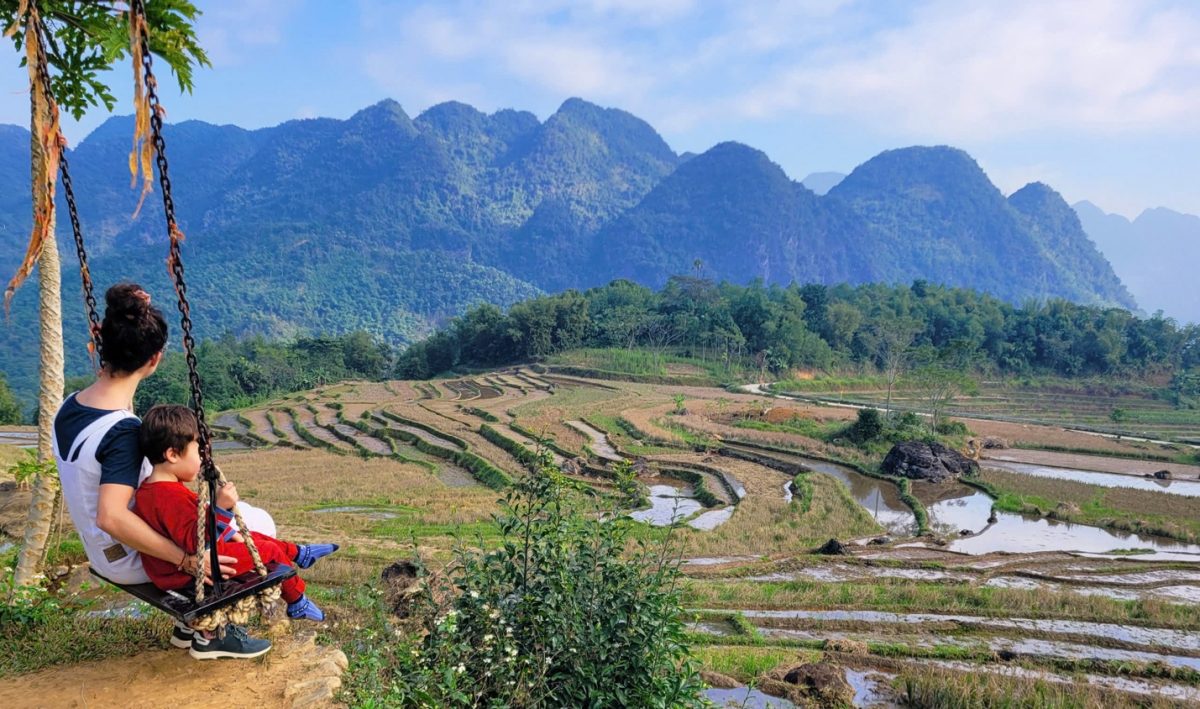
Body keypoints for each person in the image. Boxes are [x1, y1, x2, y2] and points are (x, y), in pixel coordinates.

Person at [53, 283, 273, 658]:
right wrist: (186, 560)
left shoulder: (71, 406)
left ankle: (187, 626)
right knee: (258, 524)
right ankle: (210, 634)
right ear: (154, 360)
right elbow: (111, 516)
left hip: (101, 549)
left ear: (101, 344)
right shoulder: (122, 433)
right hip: (126, 557)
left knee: (201, 514)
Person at [133, 404, 336, 642]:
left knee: (250, 537)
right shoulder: (168, 496)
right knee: (267, 551)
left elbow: (192, 526)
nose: (204, 459)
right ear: (172, 454)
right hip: (185, 575)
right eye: (199, 452)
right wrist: (220, 507)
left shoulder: (154, 488)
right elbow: (192, 540)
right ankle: (297, 600)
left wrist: (227, 529)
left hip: (175, 568)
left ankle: (299, 552)